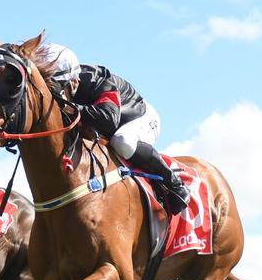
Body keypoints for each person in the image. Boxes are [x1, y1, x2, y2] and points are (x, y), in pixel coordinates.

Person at [38, 43, 190, 214]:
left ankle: (175, 184)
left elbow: (109, 120)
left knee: (122, 141)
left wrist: (71, 108)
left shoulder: (98, 80)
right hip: (107, 120)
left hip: (138, 119)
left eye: (55, 89)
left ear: (73, 81)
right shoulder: (68, 82)